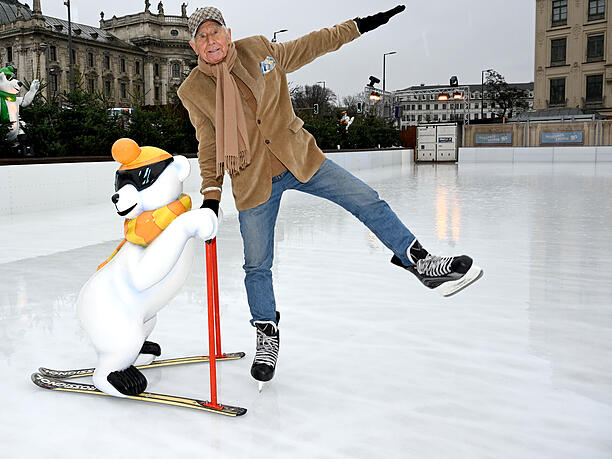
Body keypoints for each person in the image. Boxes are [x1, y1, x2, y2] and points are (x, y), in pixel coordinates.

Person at [177, 6, 483, 385]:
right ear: (194, 46)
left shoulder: (259, 50)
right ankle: (267, 334)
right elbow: (208, 144)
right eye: (202, 37)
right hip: (252, 180)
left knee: (366, 198)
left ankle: (418, 261)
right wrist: (210, 196)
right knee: (257, 265)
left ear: (227, 32)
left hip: (300, 157)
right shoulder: (192, 90)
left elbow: (314, 44)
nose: (211, 41)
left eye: (215, 32)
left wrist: (359, 26)